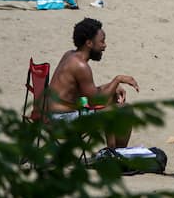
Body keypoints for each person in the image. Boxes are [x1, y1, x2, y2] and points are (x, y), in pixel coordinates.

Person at [46, 18, 140, 148]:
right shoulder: (80, 66)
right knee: (125, 110)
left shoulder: (70, 55)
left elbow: (87, 93)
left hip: (53, 115)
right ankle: (117, 155)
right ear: (89, 43)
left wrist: (112, 87)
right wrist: (117, 79)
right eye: (102, 41)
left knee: (112, 98)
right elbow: (96, 101)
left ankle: (112, 151)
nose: (104, 45)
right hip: (62, 121)